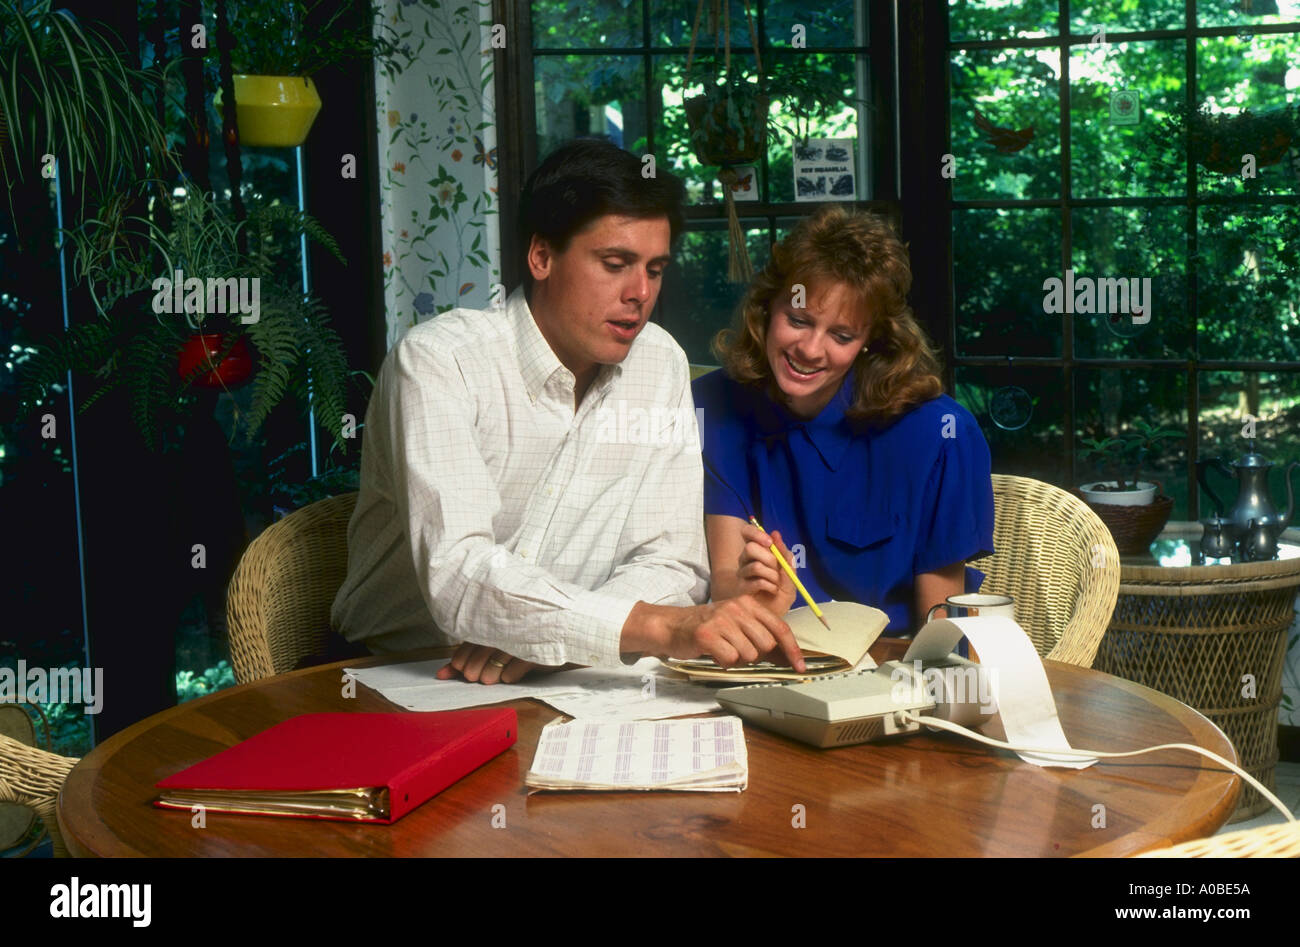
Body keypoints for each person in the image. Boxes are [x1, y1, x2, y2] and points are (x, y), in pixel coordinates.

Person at [331, 138, 805, 683]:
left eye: (654, 269)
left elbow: (669, 560)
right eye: (615, 263)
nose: (640, 293)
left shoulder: (660, 361)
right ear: (542, 256)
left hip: (566, 673)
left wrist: (561, 638)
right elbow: (458, 572)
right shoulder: (440, 362)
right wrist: (653, 628)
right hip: (391, 673)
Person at [693, 205, 994, 634]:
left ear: (871, 340)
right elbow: (726, 587)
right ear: (766, 308)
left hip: (895, 670)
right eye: (797, 320)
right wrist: (751, 594)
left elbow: (940, 631)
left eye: (841, 335)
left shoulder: (943, 436)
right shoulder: (715, 405)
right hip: (764, 654)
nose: (811, 350)